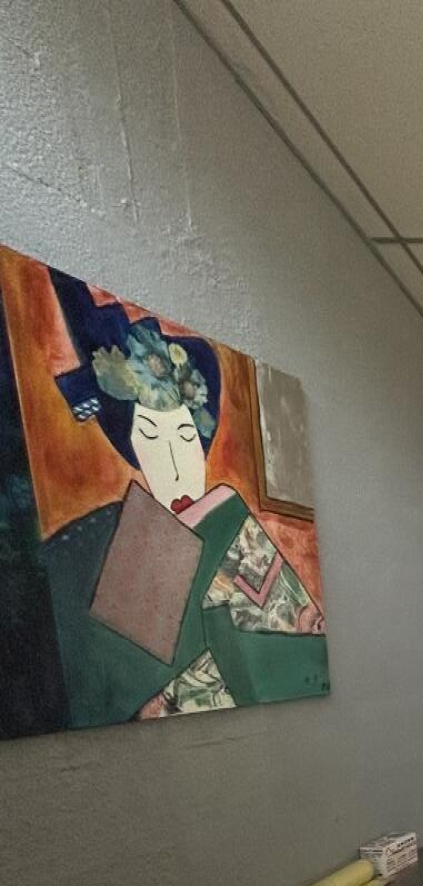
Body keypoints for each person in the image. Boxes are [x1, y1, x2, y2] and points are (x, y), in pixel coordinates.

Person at [38, 270, 326, 726]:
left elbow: (307, 658)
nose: (175, 466)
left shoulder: (225, 520)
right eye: (151, 437)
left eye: (187, 437)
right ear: (132, 451)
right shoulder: (87, 547)